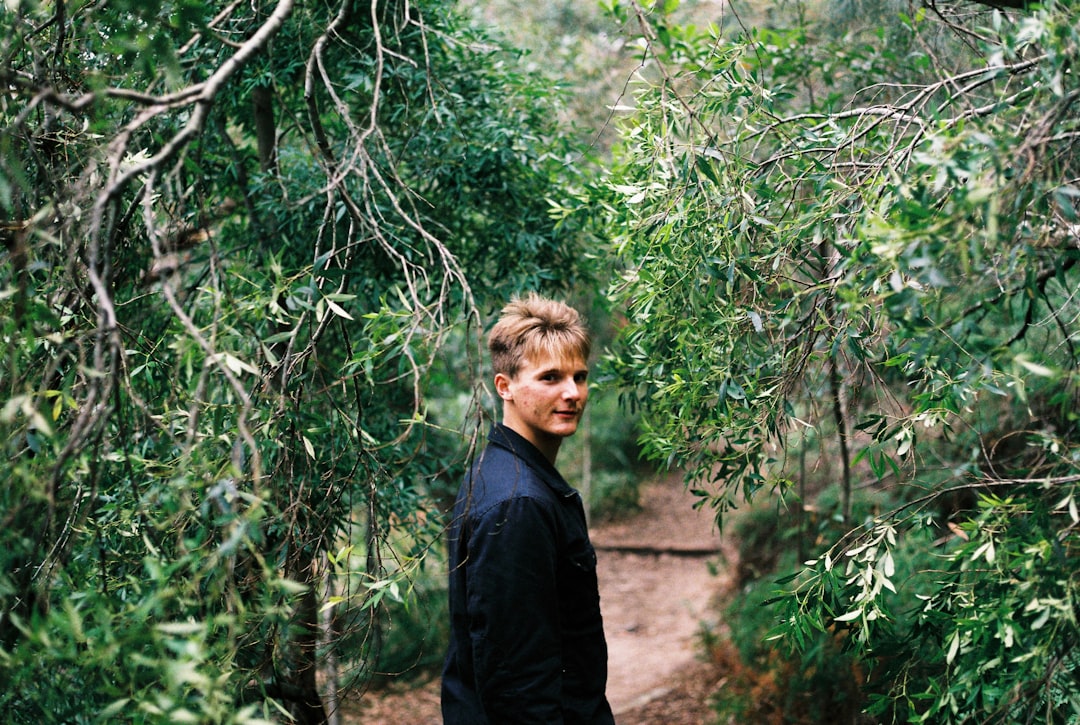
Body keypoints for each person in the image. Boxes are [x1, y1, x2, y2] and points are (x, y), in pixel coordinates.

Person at [441, 293, 616, 725]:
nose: (572, 393)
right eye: (550, 377)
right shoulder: (516, 503)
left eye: (580, 376)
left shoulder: (507, 474)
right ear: (506, 387)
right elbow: (519, 685)